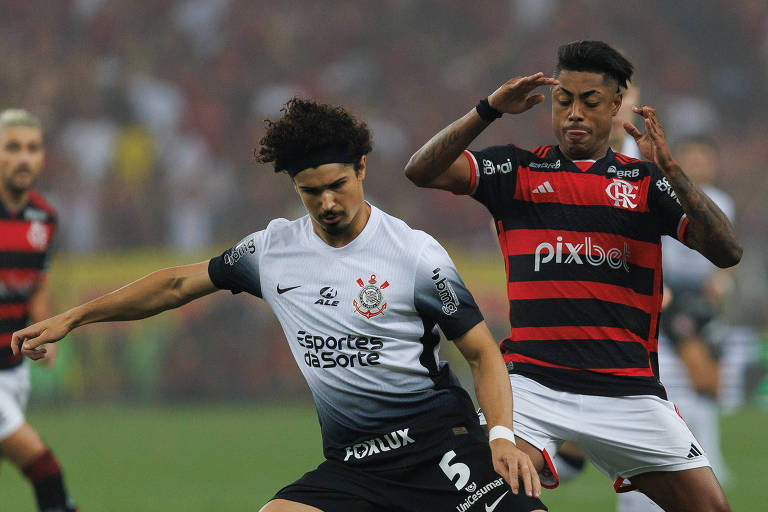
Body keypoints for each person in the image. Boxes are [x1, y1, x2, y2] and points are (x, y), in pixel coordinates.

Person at [13, 98, 547, 512]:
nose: (327, 202)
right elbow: (177, 285)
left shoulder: (414, 255)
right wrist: (75, 317)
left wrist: (501, 437)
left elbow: (480, 352)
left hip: (437, 449)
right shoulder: (272, 251)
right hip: (354, 468)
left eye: (337, 185)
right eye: (310, 192)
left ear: (362, 168)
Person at [404, 40, 741, 511]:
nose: (575, 113)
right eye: (565, 101)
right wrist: (488, 109)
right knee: (481, 495)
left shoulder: (646, 183)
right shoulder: (517, 170)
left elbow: (727, 252)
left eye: (590, 101)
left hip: (628, 390)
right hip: (533, 386)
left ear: (616, 105)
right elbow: (421, 170)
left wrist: (671, 170)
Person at [0, 109, 78, 511]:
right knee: (46, 472)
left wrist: (44, 331)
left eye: (31, 148)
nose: (23, 158)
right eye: (12, 148)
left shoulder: (44, 219)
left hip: (13, 372)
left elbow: (37, 287)